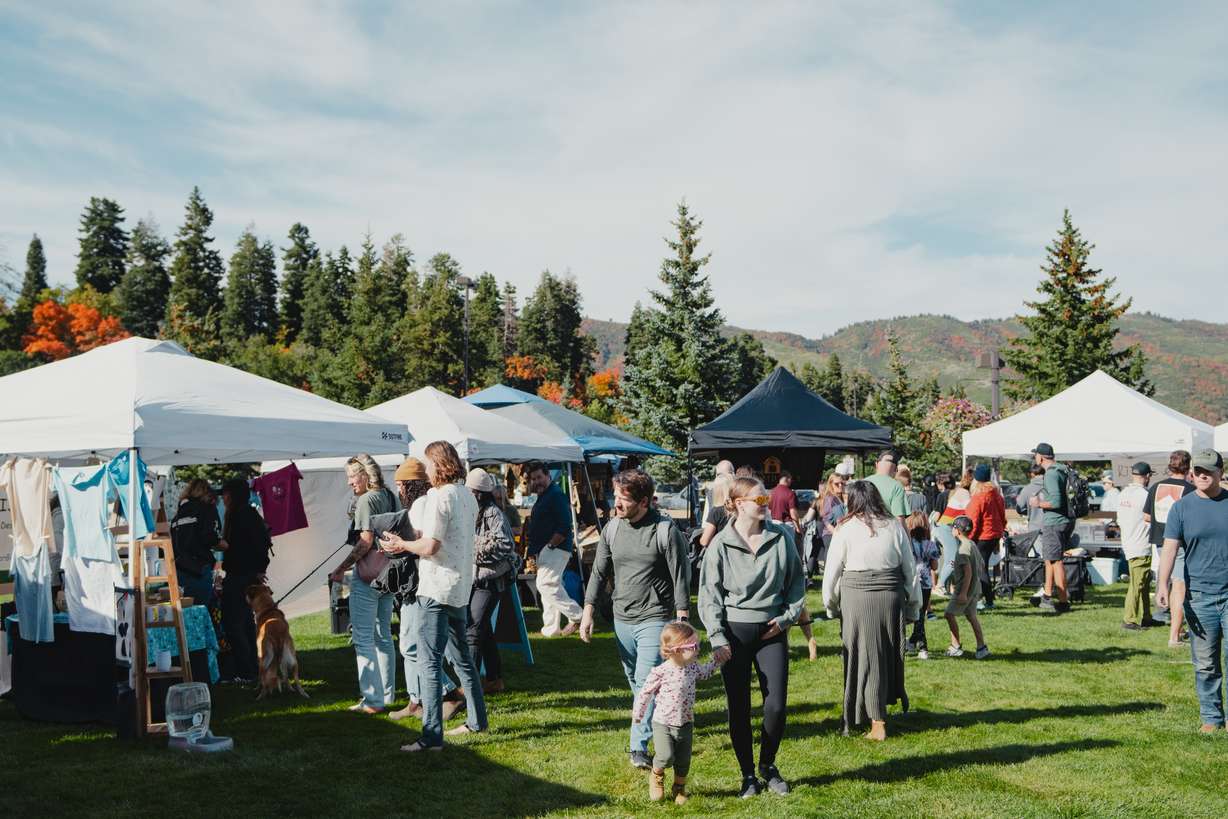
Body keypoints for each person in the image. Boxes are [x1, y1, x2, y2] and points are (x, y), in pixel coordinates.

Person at [699, 476, 805, 798]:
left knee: (776, 706)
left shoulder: (781, 536)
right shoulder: (720, 544)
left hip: (772, 629)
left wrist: (787, 618)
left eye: (766, 499)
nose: (766, 505)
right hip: (734, 632)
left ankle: (768, 766)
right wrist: (717, 637)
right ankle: (747, 775)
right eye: (759, 500)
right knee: (739, 707)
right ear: (738, 504)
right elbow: (709, 595)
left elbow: (797, 583)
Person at [379, 441, 487, 751]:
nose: (425, 471)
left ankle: (431, 736)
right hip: (460, 586)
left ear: (438, 465)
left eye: (428, 464)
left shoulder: (440, 497)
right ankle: (477, 721)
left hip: (436, 588)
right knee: (464, 660)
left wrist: (402, 544)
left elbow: (430, 546)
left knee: (428, 661)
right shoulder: (468, 495)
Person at [580, 469, 690, 770]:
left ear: (644, 502)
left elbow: (681, 575)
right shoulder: (612, 529)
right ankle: (659, 719)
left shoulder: (665, 531)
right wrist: (588, 610)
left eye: (623, 499)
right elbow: (599, 572)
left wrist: (682, 618)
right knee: (636, 682)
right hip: (621, 617)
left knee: (644, 684)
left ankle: (637, 748)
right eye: (616, 496)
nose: (616, 503)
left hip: (655, 616)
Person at [823, 480, 921, 741]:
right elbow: (910, 570)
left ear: (852, 500)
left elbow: (831, 572)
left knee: (864, 657)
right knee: (883, 655)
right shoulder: (894, 526)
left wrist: (831, 605)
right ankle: (867, 713)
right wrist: (914, 604)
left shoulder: (845, 529)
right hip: (890, 597)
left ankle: (876, 721)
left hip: (857, 600)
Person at [1157, 449, 1228, 733]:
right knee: (1206, 662)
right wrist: (1162, 584)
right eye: (1198, 470)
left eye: (1208, 471)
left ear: (1220, 473)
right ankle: (1211, 718)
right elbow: (1170, 548)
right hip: (1199, 596)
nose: (1201, 475)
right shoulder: (1181, 508)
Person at [387, 457, 461, 722]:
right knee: (415, 644)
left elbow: (420, 541)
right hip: (425, 582)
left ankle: (448, 693)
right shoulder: (430, 500)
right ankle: (416, 700)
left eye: (399, 484)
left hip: (418, 583)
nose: (397, 490)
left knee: (413, 645)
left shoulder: (420, 504)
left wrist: (398, 543)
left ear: (409, 485)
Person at [329, 454, 399, 714]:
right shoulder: (390, 495)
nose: (349, 483)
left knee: (363, 638)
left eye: (351, 476)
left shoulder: (367, 500)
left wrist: (340, 568)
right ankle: (387, 695)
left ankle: (372, 699)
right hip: (388, 574)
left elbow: (365, 542)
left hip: (368, 576)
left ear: (364, 475)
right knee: (383, 637)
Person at [632, 621, 720, 805]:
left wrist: (717, 661)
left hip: (686, 722)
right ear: (677, 650)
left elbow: (705, 673)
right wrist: (638, 714)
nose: (698, 650)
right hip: (663, 723)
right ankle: (656, 776)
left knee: (683, 761)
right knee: (665, 756)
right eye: (694, 646)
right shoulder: (661, 672)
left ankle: (679, 789)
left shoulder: (693, 667)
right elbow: (645, 692)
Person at [466, 468, 518, 694]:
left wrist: (472, 548)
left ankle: (470, 685)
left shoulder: (493, 514)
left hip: (490, 582)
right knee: (483, 630)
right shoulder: (474, 512)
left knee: (473, 631)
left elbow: (505, 546)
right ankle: (494, 679)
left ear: (477, 492)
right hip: (477, 580)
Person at [218, 477, 272, 684]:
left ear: (231, 495)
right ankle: (252, 667)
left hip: (242, 576)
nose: (223, 498)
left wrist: (258, 569)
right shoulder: (245, 514)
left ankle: (246, 670)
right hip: (244, 574)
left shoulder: (243, 515)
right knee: (245, 624)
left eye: (225, 494)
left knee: (235, 624)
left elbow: (260, 545)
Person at [524, 462, 583, 638]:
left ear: (548, 476)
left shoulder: (556, 495)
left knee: (546, 585)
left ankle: (578, 616)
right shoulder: (545, 495)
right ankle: (551, 629)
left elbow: (565, 526)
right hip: (547, 548)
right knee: (550, 586)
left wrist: (550, 546)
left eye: (539, 477)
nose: (536, 481)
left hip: (556, 547)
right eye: (533, 479)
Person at [1146, 450, 1195, 648]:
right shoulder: (1190, 490)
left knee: (1171, 583)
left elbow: (1147, 517)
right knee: (1180, 586)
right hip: (1180, 543)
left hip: (1159, 540)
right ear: (1188, 466)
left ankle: (1179, 629)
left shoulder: (1156, 487)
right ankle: (1174, 636)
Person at [1028, 443, 1072, 613]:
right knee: (1051, 559)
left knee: (1055, 560)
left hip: (1055, 521)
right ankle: (1048, 595)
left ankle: (1062, 601)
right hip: (1062, 520)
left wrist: (1038, 503)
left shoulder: (1052, 474)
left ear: (1041, 457)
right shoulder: (1061, 470)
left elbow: (1056, 501)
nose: (1034, 458)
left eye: (1035, 455)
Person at [170, 478, 223, 606]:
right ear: (207, 494)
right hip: (199, 569)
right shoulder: (206, 508)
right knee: (201, 611)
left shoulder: (179, 513)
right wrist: (223, 544)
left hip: (179, 569)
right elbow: (210, 537)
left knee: (184, 612)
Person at [944, 516, 990, 659]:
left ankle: (955, 646)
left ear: (957, 530)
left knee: (949, 614)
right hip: (975, 588)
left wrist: (963, 593)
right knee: (971, 616)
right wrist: (958, 567)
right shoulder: (972, 544)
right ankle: (982, 647)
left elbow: (968, 572)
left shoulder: (963, 548)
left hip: (965, 589)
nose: (951, 529)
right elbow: (980, 565)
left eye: (953, 527)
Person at [1117, 462, 1153, 631]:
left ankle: (1147, 616)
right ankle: (1129, 619)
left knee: (1144, 582)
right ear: (1147, 476)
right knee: (1137, 584)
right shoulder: (1145, 494)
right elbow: (1151, 518)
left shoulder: (1123, 493)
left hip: (1128, 541)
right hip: (1141, 543)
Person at [965, 463, 1006, 609]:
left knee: (980, 568)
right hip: (994, 534)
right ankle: (986, 599)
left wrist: (968, 538)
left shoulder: (978, 498)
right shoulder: (996, 495)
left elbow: (972, 520)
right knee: (983, 567)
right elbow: (1002, 516)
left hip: (982, 536)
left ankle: (987, 600)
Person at [905, 511, 940, 659]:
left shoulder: (907, 544)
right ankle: (919, 644)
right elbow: (934, 566)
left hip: (911, 582)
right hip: (925, 583)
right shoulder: (930, 545)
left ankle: (918, 643)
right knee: (921, 615)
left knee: (910, 614)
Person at [801, 471, 847, 574]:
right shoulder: (831, 499)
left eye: (842, 483)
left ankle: (813, 578)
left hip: (827, 532)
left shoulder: (834, 498)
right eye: (837, 484)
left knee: (817, 553)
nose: (840, 485)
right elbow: (835, 519)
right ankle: (815, 578)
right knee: (826, 558)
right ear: (830, 484)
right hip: (829, 533)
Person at [865, 450, 909, 523]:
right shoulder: (896, 486)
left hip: (861, 531)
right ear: (896, 469)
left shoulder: (862, 483)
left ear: (876, 464)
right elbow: (899, 520)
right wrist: (907, 534)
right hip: (887, 532)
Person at [1015, 464, 1047, 530]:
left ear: (1032, 474)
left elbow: (1019, 508)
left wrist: (1030, 510)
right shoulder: (1052, 486)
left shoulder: (1027, 489)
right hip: (1051, 528)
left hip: (1034, 528)